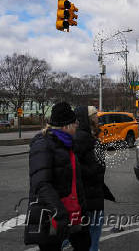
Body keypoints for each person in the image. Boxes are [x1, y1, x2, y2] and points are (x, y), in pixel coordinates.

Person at [24, 102, 90, 251]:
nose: (77, 126)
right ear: (66, 126)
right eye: (75, 123)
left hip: (74, 213)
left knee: (84, 244)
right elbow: (41, 184)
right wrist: (59, 214)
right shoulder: (43, 144)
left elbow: (73, 181)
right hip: (51, 216)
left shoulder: (68, 145)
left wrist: (83, 209)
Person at [74, 106, 115, 251]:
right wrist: (95, 170)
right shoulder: (82, 138)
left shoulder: (88, 136)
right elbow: (74, 165)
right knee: (93, 227)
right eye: (95, 115)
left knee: (89, 228)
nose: (98, 117)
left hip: (92, 191)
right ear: (88, 119)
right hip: (89, 192)